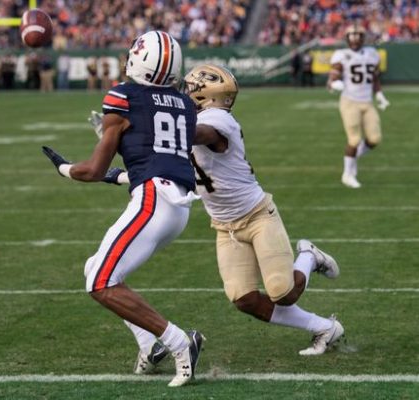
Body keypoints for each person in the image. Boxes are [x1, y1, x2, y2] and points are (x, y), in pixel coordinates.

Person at [94, 64, 345, 368]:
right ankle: (324, 328)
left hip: (257, 215)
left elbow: (191, 136)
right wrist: (122, 151)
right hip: (224, 226)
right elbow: (161, 165)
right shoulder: (178, 127)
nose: (184, 94)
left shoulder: (217, 120)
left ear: (202, 95)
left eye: (189, 90)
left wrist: (132, 129)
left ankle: (309, 256)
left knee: (283, 292)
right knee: (245, 299)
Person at [42, 30, 204, 387]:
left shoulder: (123, 95)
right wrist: (121, 169)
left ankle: (179, 342)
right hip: (177, 205)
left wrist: (65, 168)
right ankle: (151, 346)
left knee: (99, 281)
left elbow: (93, 170)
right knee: (96, 267)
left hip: (153, 199)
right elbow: (157, 155)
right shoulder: (185, 105)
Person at [328, 23, 390, 189]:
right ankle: (348, 174)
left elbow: (375, 78)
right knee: (354, 140)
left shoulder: (372, 53)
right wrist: (335, 84)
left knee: (375, 139)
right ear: (347, 38)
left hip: (367, 101)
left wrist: (380, 95)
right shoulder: (341, 55)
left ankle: (353, 158)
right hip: (350, 101)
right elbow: (331, 80)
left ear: (363, 38)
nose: (355, 40)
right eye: (352, 37)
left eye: (358, 37)